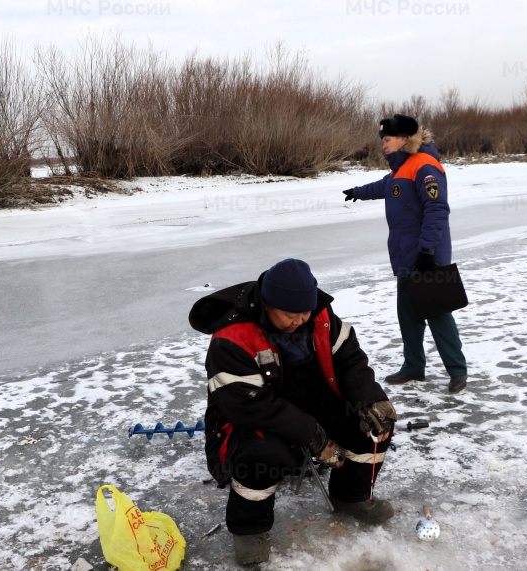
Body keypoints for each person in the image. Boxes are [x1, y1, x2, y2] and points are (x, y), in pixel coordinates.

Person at [188, 258, 397, 566]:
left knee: (371, 428)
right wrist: (314, 436)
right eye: (289, 313)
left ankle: (350, 496)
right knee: (263, 456)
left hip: (315, 401)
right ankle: (249, 530)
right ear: (268, 303)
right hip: (253, 417)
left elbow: (350, 361)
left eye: (305, 311)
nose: (300, 320)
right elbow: (247, 404)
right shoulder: (233, 336)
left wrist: (370, 399)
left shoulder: (322, 317)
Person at [343, 114, 468, 393]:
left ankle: (458, 371)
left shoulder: (424, 165)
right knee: (408, 314)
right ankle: (413, 367)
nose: (384, 145)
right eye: (383, 140)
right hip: (405, 257)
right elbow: (385, 187)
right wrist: (357, 192)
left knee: (437, 314)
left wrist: (426, 252)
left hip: (427, 256)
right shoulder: (402, 168)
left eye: (387, 140)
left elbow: (437, 210)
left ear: (404, 139)